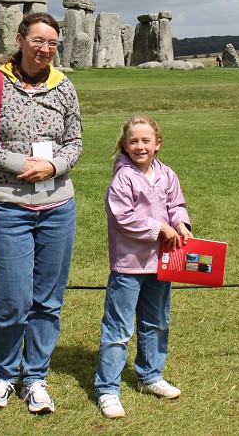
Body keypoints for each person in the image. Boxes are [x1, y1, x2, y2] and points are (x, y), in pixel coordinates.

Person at [0, 12, 83, 415]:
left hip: (57, 206)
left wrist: (53, 166)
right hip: (8, 204)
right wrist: (17, 163)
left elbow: (75, 141)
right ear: (20, 39)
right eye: (38, 40)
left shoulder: (64, 87)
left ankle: (35, 378)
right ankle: (4, 375)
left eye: (52, 43)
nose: (45, 49)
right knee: (13, 300)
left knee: (48, 301)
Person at [94, 115, 192, 419]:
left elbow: (176, 204)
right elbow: (124, 218)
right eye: (133, 141)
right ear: (125, 145)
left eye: (146, 141)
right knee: (119, 328)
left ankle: (150, 375)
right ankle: (108, 389)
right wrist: (159, 227)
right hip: (129, 265)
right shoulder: (122, 178)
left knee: (156, 322)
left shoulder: (167, 174)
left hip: (162, 263)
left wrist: (181, 224)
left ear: (157, 144)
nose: (140, 146)